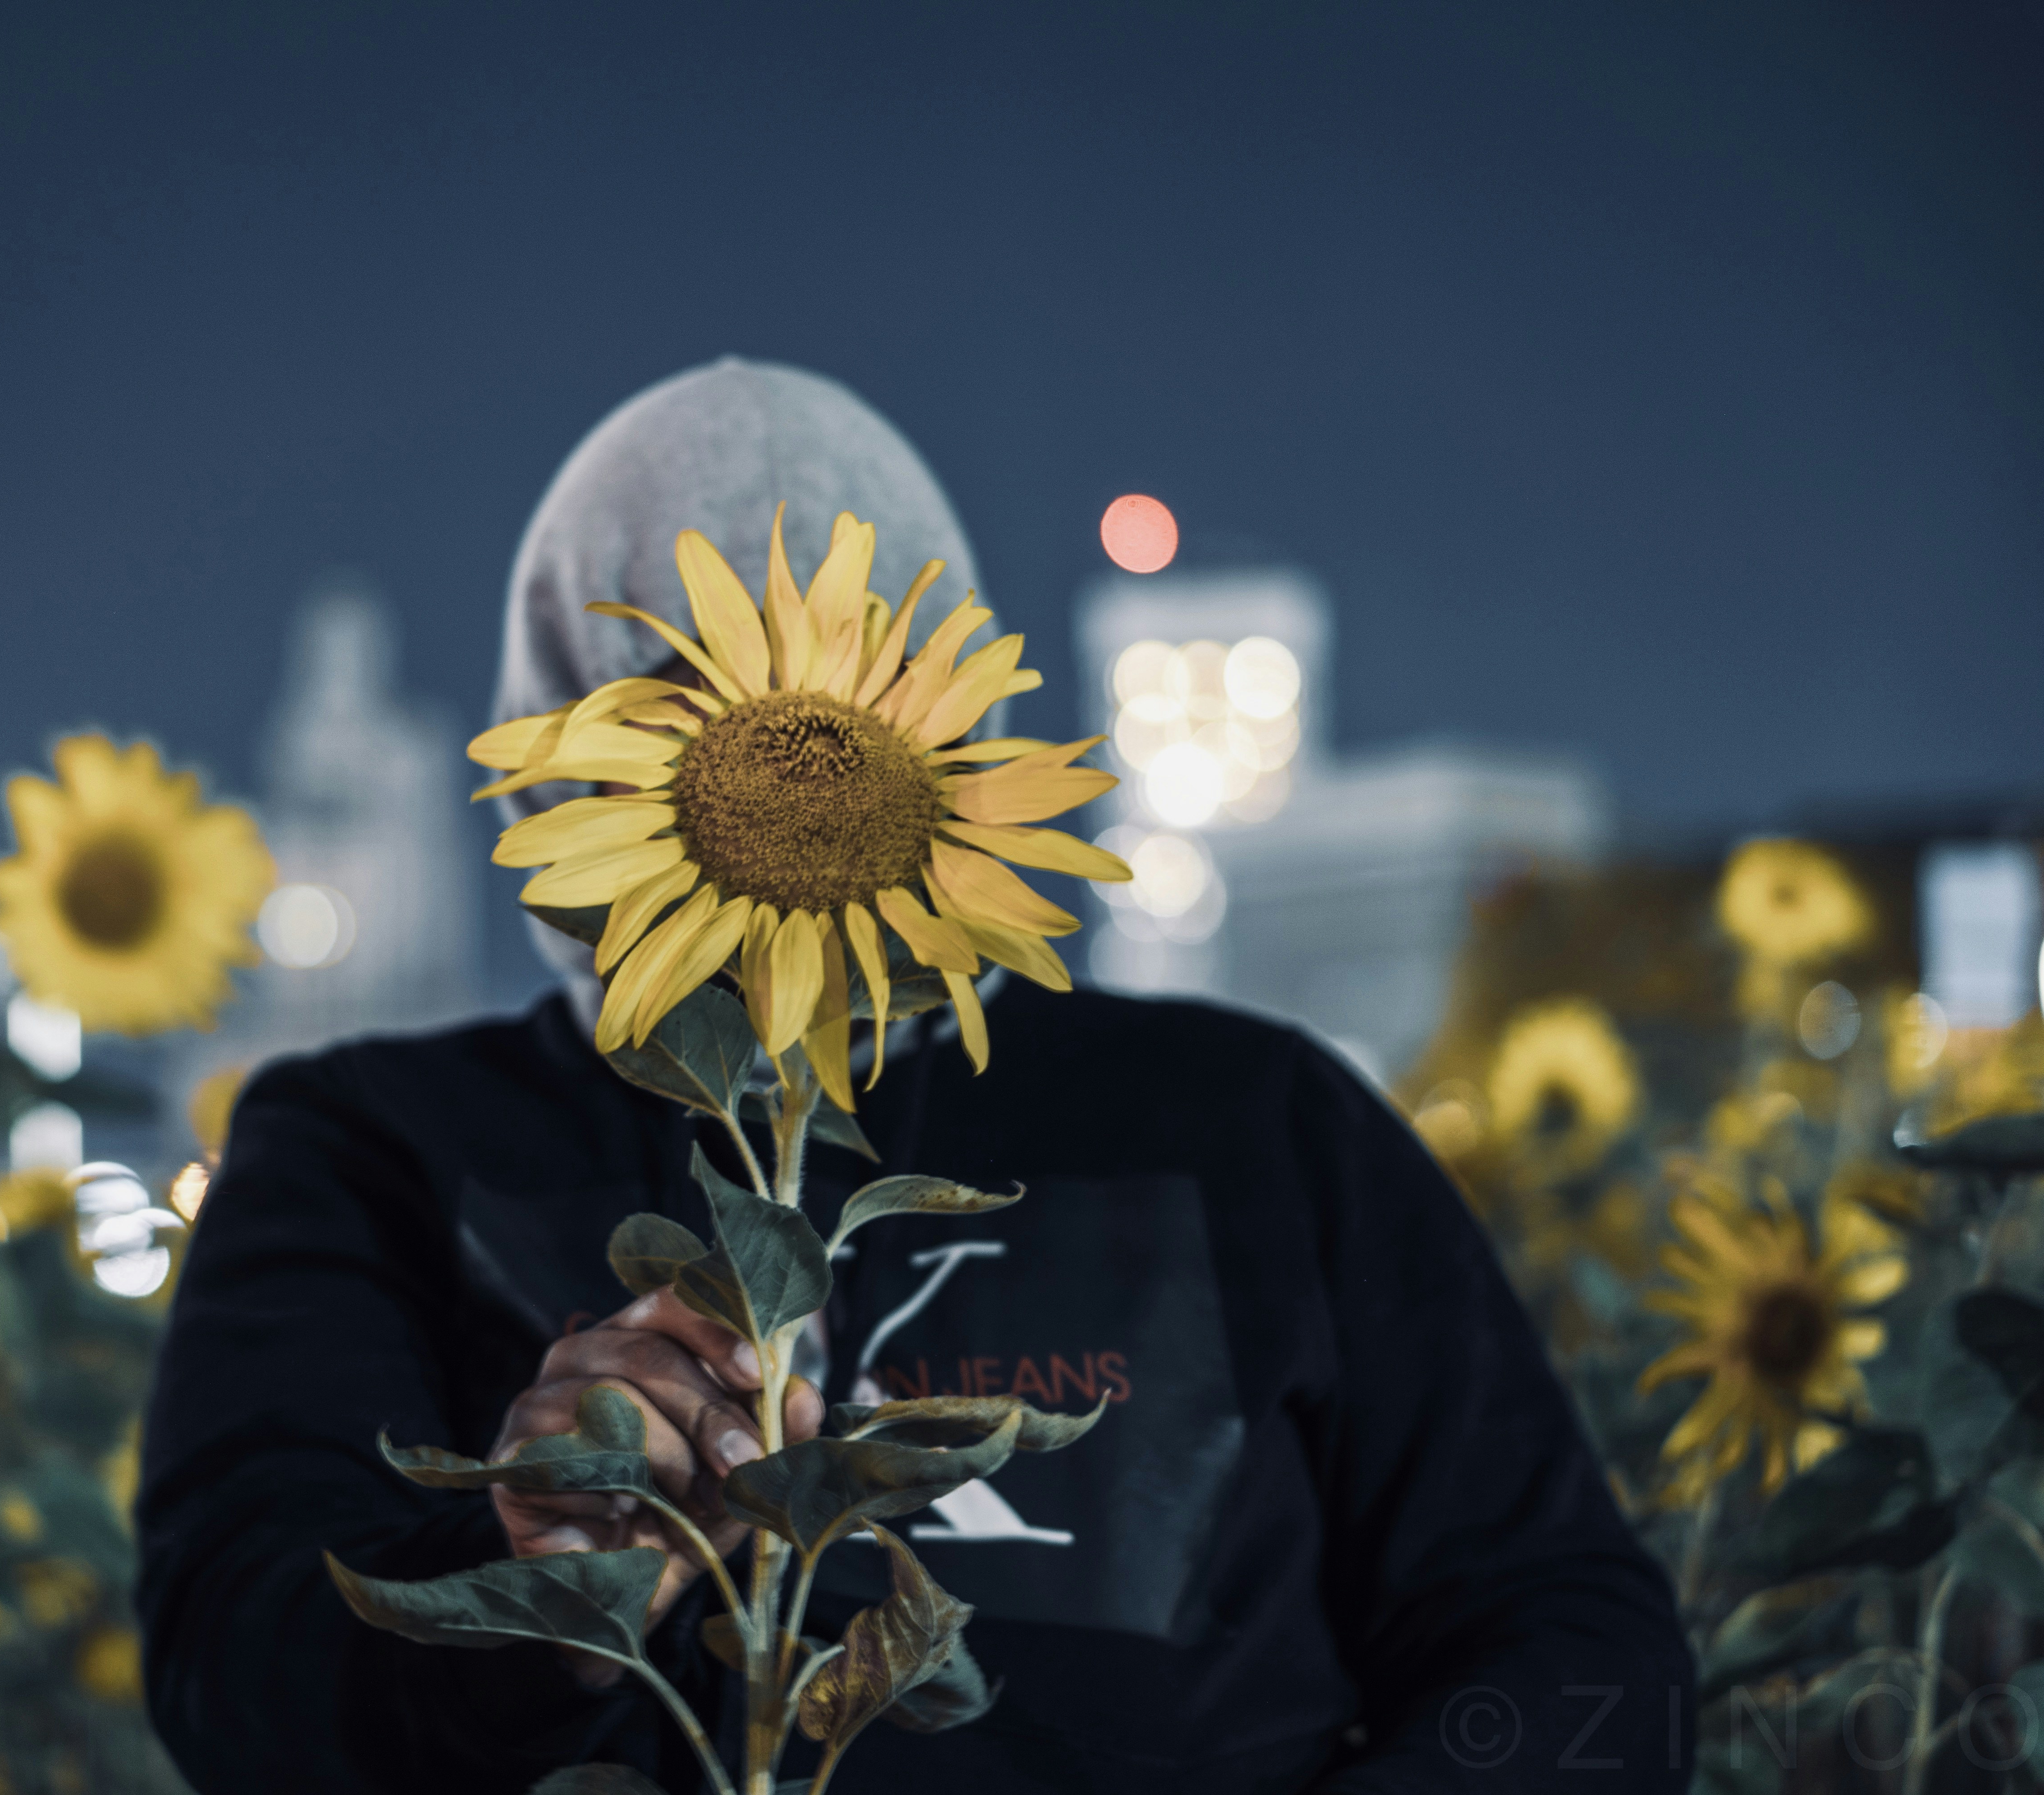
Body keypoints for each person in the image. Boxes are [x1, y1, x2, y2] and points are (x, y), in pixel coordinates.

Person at [135, 359, 1692, 1793]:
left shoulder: (1258, 1128)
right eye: (662, 705)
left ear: (962, 729)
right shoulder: (371, 1150)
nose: (785, 775)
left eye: (854, 711)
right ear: (563, 743)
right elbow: (241, 1675)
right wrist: (539, 1577)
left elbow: (1570, 1642)